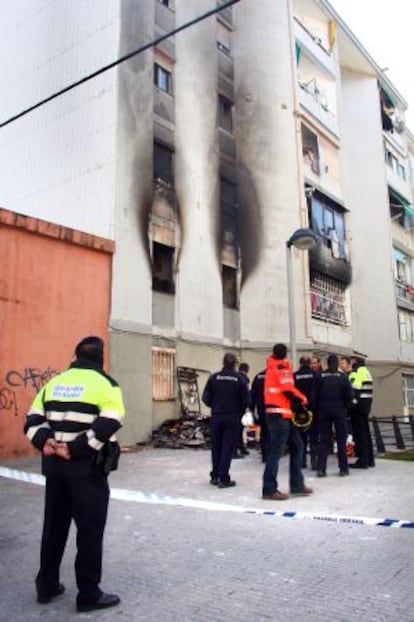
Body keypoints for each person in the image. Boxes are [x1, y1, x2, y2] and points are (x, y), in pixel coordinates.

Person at [23, 336, 125, 613]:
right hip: (87, 470)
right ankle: (88, 594)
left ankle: (47, 585)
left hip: (55, 469)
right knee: (89, 531)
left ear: (75, 356)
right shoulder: (107, 385)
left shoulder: (53, 383)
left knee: (53, 527)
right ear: (101, 358)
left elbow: (32, 419)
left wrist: (46, 441)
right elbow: (112, 420)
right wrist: (76, 448)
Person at [262, 343, 313, 500]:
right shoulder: (282, 367)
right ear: (285, 355)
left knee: (297, 446)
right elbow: (288, 389)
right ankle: (269, 489)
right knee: (276, 452)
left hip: (279, 414)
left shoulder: (271, 368)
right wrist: (303, 399)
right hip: (280, 415)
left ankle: (297, 485)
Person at [202, 352, 249, 488]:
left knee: (216, 446)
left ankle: (215, 476)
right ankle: (224, 478)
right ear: (235, 364)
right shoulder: (239, 379)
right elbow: (245, 400)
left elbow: (206, 397)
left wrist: (216, 406)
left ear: (223, 362)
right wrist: (238, 411)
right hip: (232, 416)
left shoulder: (214, 377)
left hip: (217, 416)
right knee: (227, 447)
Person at [313, 354, 353, 477]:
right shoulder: (342, 377)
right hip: (339, 410)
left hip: (323, 411)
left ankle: (321, 469)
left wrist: (317, 410)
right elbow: (349, 395)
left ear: (326, 363)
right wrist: (346, 407)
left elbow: (313, 395)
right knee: (341, 439)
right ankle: (343, 468)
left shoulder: (320, 376)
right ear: (336, 363)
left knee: (324, 441)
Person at [348, 356, 375, 469]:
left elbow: (353, 390)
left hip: (357, 408)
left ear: (355, 362)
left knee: (360, 435)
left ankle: (362, 460)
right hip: (366, 406)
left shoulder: (356, 372)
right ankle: (370, 459)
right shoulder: (366, 372)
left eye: (351, 362)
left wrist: (350, 405)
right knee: (366, 433)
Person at [294, 356, 317, 469]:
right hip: (312, 409)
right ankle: (314, 461)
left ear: (300, 364)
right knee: (313, 436)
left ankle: (301, 461)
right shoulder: (315, 375)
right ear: (309, 363)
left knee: (300, 436)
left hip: (298, 410)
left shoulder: (295, 376)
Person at [234, 362, 251, 458]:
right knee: (240, 429)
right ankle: (240, 448)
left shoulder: (236, 377)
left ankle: (240, 448)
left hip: (232, 407)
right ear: (247, 370)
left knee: (237, 429)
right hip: (240, 408)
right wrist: (247, 405)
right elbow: (246, 393)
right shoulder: (244, 379)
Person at [250, 368, 267, 462]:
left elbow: (253, 394)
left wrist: (252, 409)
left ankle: (265, 455)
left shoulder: (258, 376)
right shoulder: (276, 375)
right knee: (272, 432)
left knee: (264, 431)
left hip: (261, 408)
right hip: (273, 408)